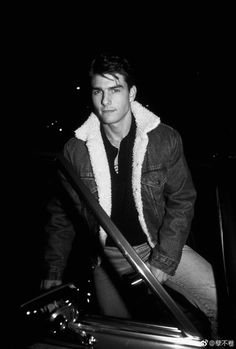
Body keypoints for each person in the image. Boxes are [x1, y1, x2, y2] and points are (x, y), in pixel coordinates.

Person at [41, 52, 218, 336]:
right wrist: (53, 272)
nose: (106, 101)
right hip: (108, 256)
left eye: (115, 90)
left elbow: (182, 200)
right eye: (98, 91)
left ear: (131, 92)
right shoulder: (75, 150)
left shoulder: (164, 139)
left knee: (220, 299)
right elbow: (61, 215)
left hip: (158, 243)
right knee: (120, 334)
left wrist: (162, 260)